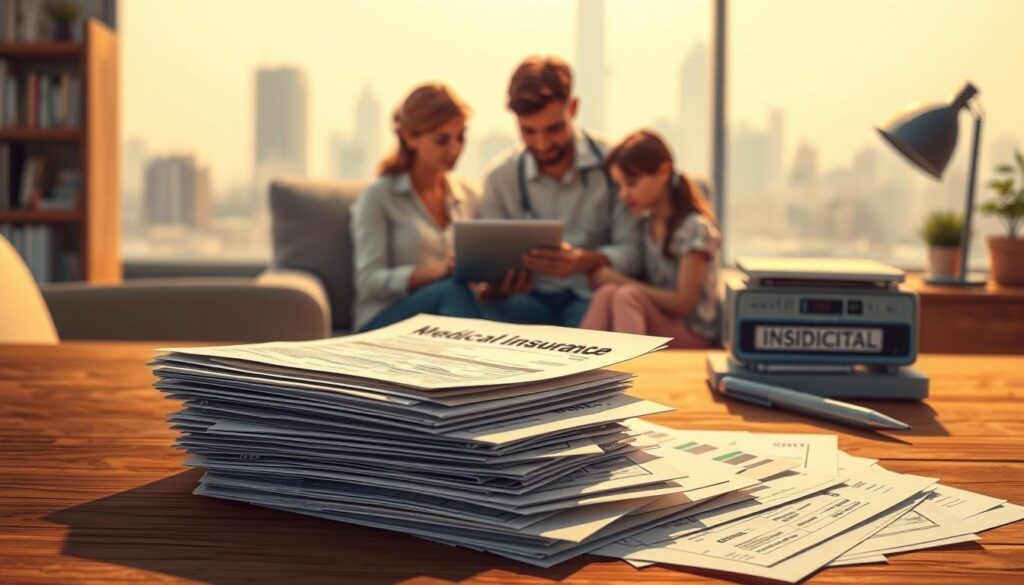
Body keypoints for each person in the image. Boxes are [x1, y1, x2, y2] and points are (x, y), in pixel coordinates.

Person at [478, 55, 642, 327]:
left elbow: (635, 251)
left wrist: (585, 261)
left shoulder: (614, 165)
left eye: (554, 129)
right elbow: (486, 263)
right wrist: (499, 282)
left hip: (589, 297)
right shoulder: (500, 178)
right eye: (528, 131)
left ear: (574, 108)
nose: (542, 144)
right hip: (528, 299)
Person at [351, 83, 483, 331]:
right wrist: (432, 273)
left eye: (461, 137)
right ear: (410, 137)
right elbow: (368, 282)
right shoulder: (378, 197)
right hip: (383, 321)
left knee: (522, 306)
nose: (455, 149)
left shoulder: (470, 196)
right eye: (442, 140)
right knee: (450, 291)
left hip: (444, 320)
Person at [580, 130, 721, 348]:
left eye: (632, 183)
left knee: (627, 296)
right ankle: (574, 367)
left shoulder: (694, 228)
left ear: (664, 171)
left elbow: (684, 303)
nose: (623, 195)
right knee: (607, 293)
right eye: (619, 186)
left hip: (694, 334)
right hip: (663, 323)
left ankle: (633, 373)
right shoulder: (646, 225)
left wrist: (619, 279)